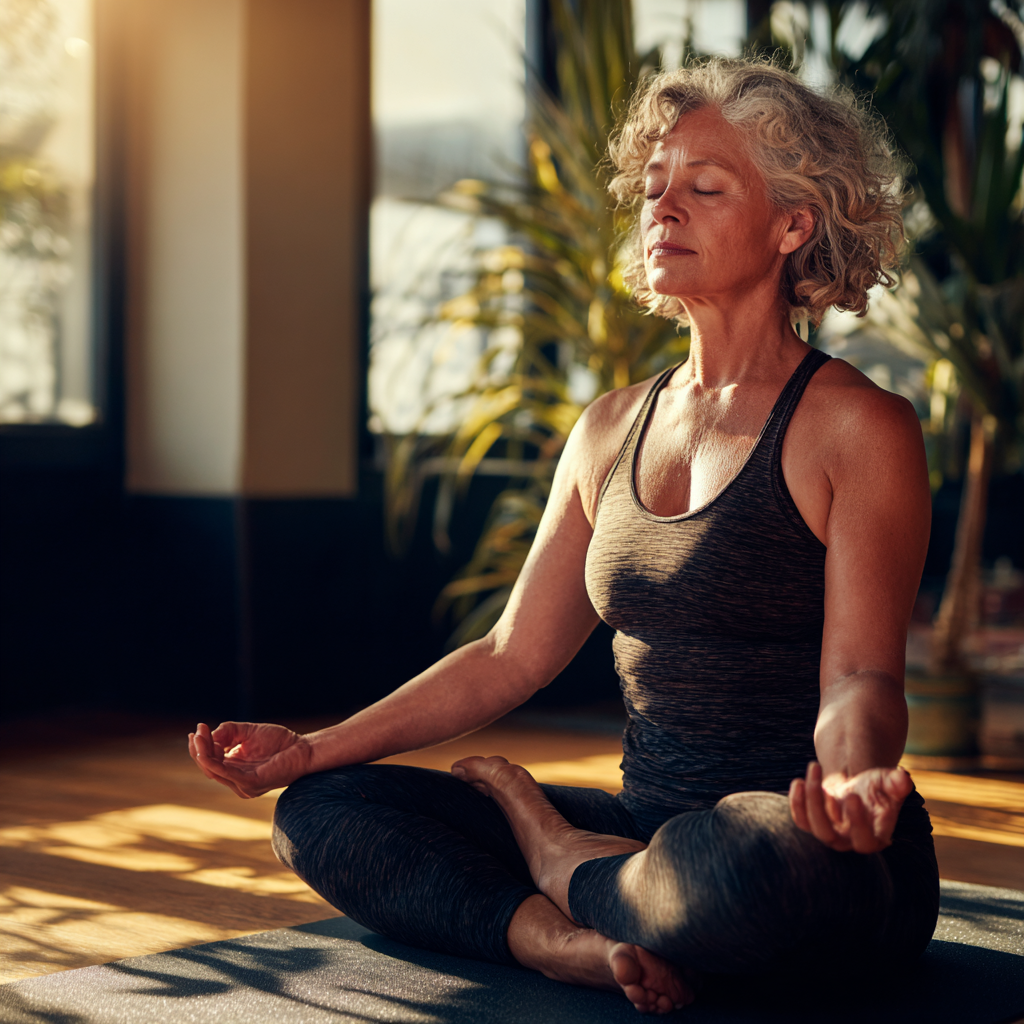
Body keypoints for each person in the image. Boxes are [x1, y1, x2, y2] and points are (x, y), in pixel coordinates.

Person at [189, 59, 939, 1015]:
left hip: (792, 841)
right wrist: (312, 749)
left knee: (754, 870)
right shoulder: (608, 429)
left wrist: (854, 780)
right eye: (656, 186)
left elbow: (859, 679)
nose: (665, 207)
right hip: (643, 832)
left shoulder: (856, 429)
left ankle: (556, 858)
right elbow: (510, 655)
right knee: (325, 814)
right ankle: (561, 940)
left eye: (705, 189)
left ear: (793, 225)